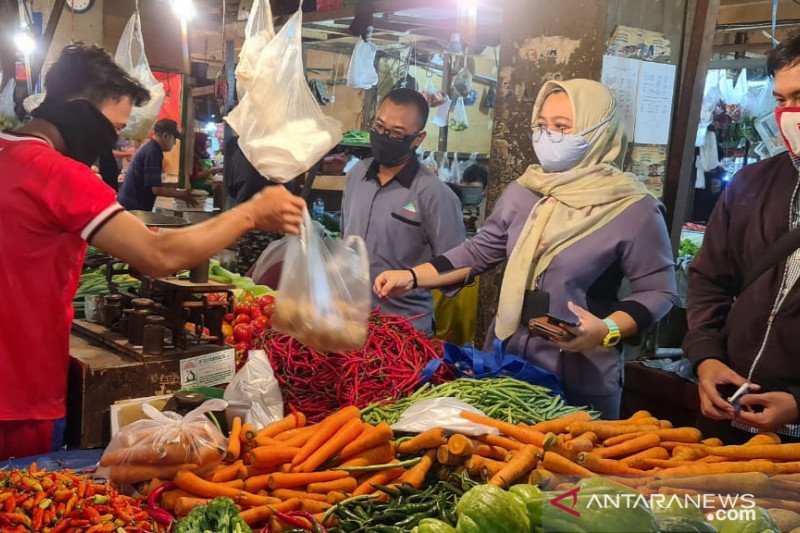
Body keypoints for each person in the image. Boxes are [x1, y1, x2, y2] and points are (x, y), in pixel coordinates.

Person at [0, 43, 306, 460]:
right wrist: (250, 214)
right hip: (18, 397)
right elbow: (155, 255)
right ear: (78, 107)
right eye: (113, 129)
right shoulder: (58, 174)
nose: (112, 142)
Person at [375, 80, 676, 418]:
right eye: (542, 126)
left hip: (581, 371)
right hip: (510, 364)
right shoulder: (524, 191)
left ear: (600, 132)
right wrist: (412, 276)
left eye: (562, 127)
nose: (548, 137)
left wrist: (607, 330)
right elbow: (478, 253)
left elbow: (659, 291)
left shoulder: (633, 208)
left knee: (573, 465)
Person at [684, 33, 800, 442]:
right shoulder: (752, 183)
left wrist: (799, 403)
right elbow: (709, 280)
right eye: (781, 100)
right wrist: (705, 358)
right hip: (727, 417)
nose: (789, 113)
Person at [342, 88, 466, 334]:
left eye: (396, 133)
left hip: (404, 331)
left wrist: (410, 277)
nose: (383, 136)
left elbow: (459, 267)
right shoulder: (356, 175)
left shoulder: (433, 194)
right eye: (378, 127)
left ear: (418, 139)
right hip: (351, 323)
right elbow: (346, 240)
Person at [118, 118, 198, 211]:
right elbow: (156, 190)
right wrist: (181, 194)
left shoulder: (152, 149)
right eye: (174, 138)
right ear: (165, 135)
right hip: (134, 207)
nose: (175, 143)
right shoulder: (152, 152)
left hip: (132, 204)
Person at [225, 135, 275, 204]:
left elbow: (232, 190)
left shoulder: (240, 154)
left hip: (245, 205)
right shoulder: (279, 154)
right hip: (274, 207)